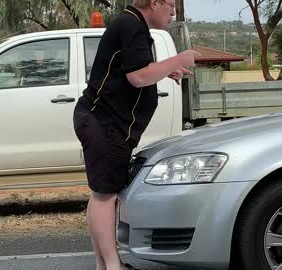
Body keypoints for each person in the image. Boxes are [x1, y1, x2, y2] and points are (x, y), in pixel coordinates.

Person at [73, 1, 200, 269]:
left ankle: (105, 264)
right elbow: (138, 76)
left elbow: (134, 68)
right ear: (154, 3)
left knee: (101, 195)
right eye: (170, 4)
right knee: (105, 197)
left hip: (105, 123)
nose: (174, 11)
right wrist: (178, 59)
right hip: (104, 123)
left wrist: (167, 70)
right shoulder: (131, 25)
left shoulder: (133, 24)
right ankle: (112, 265)